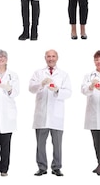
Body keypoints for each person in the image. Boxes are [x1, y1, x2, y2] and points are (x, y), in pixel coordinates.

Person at [28, 49, 72, 177]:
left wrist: (57, 90)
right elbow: (31, 88)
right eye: (48, 56)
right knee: (40, 144)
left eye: (53, 56)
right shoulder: (38, 73)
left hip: (56, 115)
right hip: (41, 115)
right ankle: (42, 167)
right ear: (45, 58)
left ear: (57, 57)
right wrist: (41, 84)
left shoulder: (63, 74)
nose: (51, 58)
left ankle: (56, 167)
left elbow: (68, 92)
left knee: (57, 144)